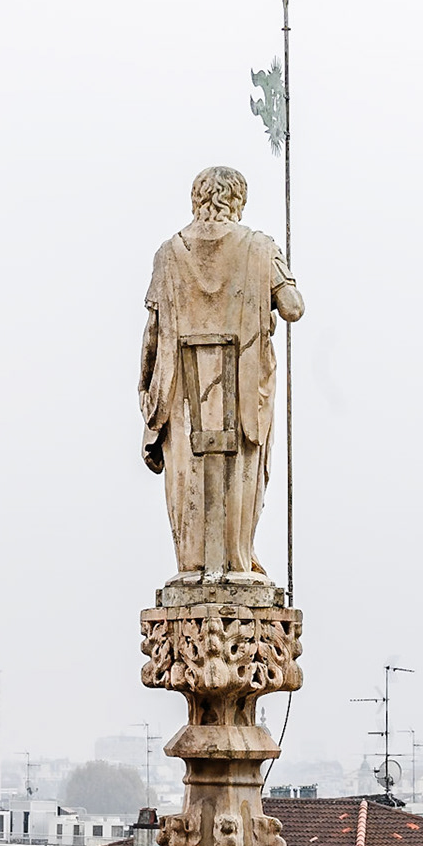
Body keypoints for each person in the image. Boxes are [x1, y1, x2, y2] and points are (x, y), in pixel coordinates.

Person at [139, 166, 304, 578]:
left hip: (181, 395)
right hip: (243, 389)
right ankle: (235, 556)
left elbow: (152, 336)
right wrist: (275, 270)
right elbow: (293, 307)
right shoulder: (260, 248)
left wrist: (146, 390)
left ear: (197, 199)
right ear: (238, 202)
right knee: (240, 472)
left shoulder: (168, 254)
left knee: (188, 475)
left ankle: (193, 563)